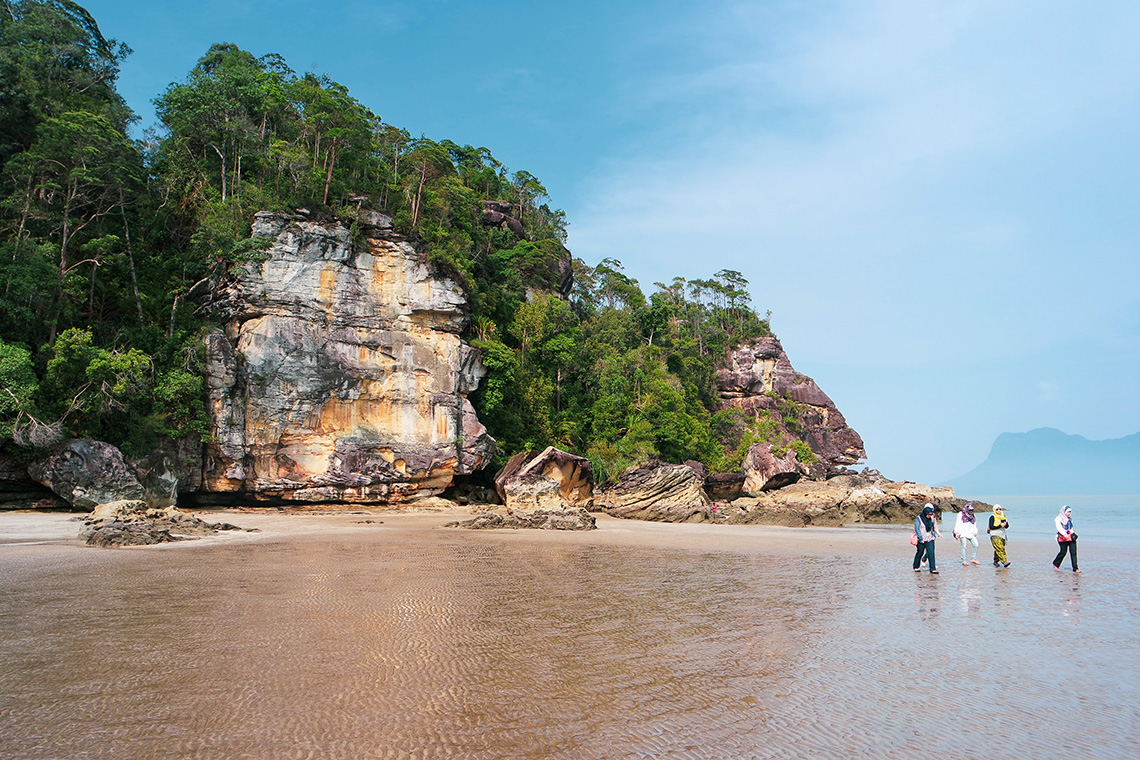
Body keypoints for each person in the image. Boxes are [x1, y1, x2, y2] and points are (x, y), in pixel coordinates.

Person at [913, 503, 942, 574]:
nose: (930, 516)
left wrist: (934, 535)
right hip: (921, 539)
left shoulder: (932, 518)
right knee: (920, 552)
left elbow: (932, 527)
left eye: (931, 514)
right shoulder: (919, 518)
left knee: (931, 553)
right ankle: (916, 566)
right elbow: (917, 529)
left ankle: (933, 569)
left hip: (930, 538)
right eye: (929, 514)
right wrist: (920, 539)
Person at [1053, 505, 1080, 572]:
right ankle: (1056, 563)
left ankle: (1075, 568)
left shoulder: (1069, 519)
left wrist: (1073, 534)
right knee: (1063, 552)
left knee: (1073, 552)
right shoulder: (1058, 519)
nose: (1069, 513)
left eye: (1070, 512)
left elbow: (1071, 528)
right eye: (1068, 512)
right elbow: (1059, 528)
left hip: (1070, 537)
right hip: (1062, 538)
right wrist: (1065, 534)